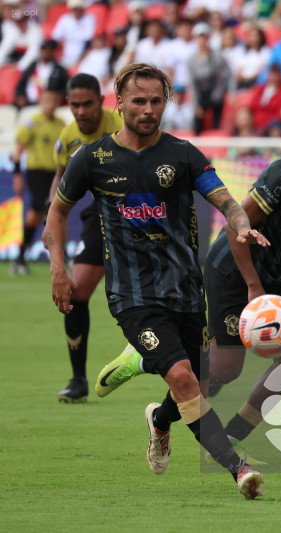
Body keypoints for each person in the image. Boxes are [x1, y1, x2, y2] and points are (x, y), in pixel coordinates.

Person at [43, 63, 267, 500]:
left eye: (156, 101)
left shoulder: (183, 154)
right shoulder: (93, 159)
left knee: (198, 386)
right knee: (183, 377)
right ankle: (238, 469)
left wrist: (240, 223)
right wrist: (57, 267)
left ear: (166, 102)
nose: (148, 109)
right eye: (139, 101)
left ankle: (160, 419)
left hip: (185, 291)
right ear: (119, 102)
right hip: (132, 296)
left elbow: (225, 199)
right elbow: (57, 210)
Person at [95, 93, 281, 464]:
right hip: (233, 269)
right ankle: (144, 361)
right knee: (222, 369)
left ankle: (228, 433)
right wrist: (253, 286)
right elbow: (239, 229)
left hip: (272, 277)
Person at [48, 73, 124, 403]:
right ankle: (78, 380)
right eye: (74, 105)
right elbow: (60, 179)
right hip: (102, 216)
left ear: (101, 101)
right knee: (75, 296)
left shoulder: (122, 123)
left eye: (87, 103)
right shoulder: (67, 138)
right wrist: (52, 211)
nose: (81, 111)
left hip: (144, 212)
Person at [9, 89, 65, 276]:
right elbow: (18, 149)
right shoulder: (32, 122)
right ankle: (60, 257)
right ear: (41, 101)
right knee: (49, 207)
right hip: (36, 172)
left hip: (55, 173)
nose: (51, 103)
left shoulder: (61, 124)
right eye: (47, 99)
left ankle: (19, 258)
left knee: (34, 214)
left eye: (54, 100)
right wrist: (17, 175)